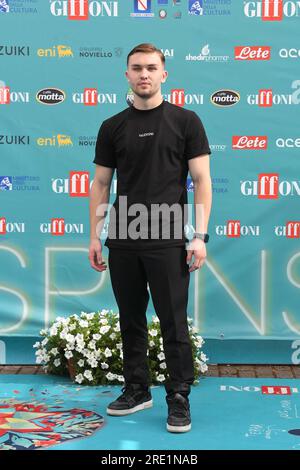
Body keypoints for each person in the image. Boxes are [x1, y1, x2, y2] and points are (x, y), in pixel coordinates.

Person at [89, 43, 212, 433]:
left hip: (170, 236)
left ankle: (178, 397)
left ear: (164, 74)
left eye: (151, 68)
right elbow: (101, 183)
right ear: (127, 74)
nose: (144, 74)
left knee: (173, 321)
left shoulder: (186, 121)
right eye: (137, 68)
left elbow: (201, 180)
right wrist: (95, 234)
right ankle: (136, 389)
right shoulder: (112, 126)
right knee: (130, 319)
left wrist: (200, 235)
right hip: (124, 237)